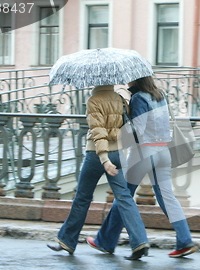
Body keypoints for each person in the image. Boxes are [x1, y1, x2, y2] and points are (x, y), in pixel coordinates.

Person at [86, 76, 196, 258]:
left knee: (124, 196)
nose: (127, 83)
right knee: (168, 198)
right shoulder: (159, 95)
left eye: (129, 80)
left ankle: (105, 241)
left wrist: (124, 118)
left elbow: (138, 128)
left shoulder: (138, 98)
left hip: (144, 152)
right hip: (163, 151)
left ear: (135, 81)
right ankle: (185, 241)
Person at [47, 85, 150, 260]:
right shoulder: (119, 100)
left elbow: (98, 132)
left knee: (82, 198)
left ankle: (66, 241)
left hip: (96, 156)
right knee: (124, 198)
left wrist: (104, 159)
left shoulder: (94, 101)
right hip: (118, 154)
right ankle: (140, 241)